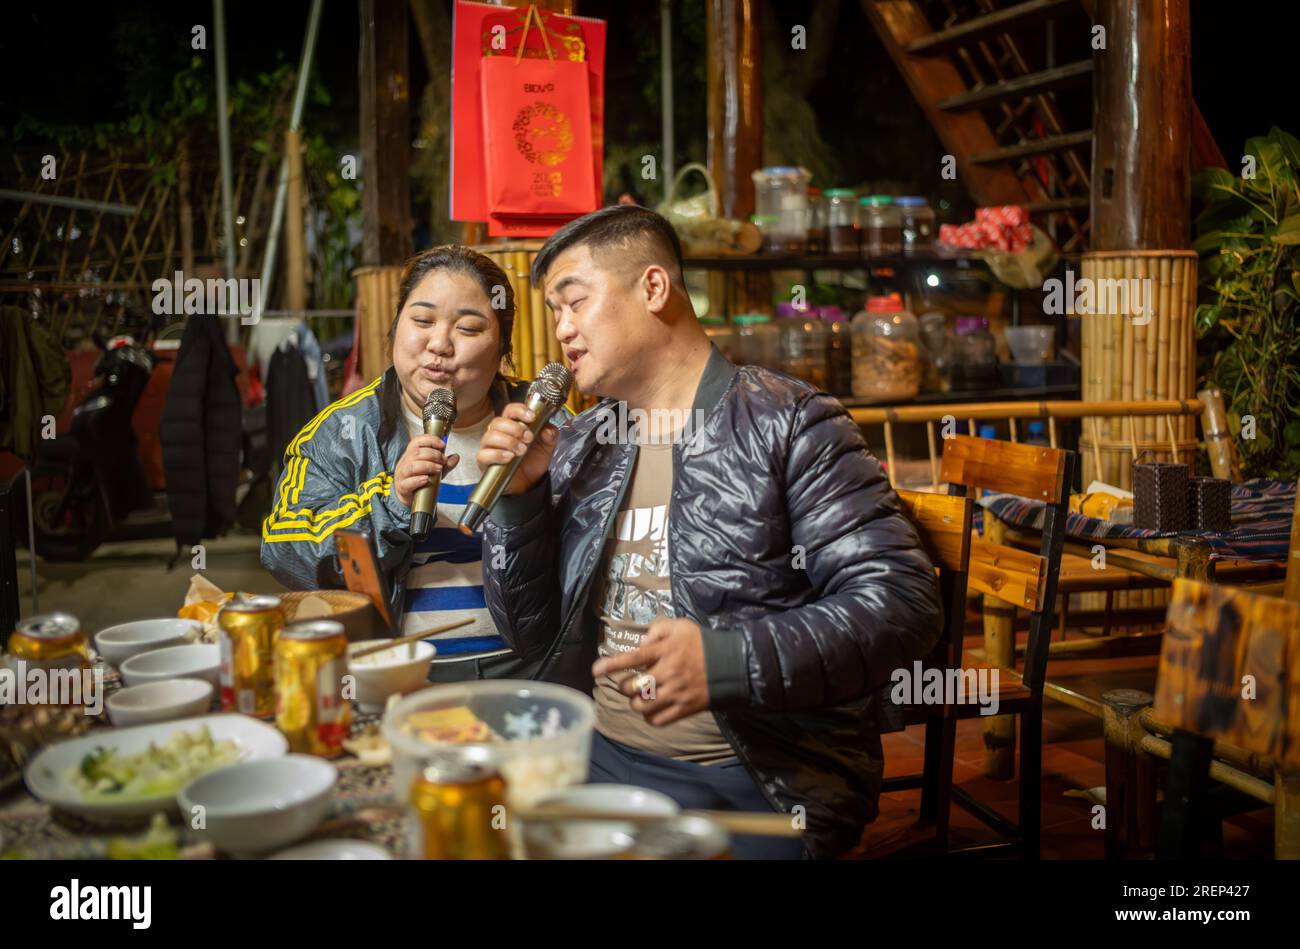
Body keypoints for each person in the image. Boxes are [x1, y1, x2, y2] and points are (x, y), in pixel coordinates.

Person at [476, 205, 943, 858]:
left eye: (573, 303)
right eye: (554, 312)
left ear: (654, 288)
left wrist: (730, 659)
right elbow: (528, 631)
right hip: (600, 758)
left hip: (756, 778)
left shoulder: (789, 424)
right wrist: (518, 503)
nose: (562, 331)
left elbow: (902, 603)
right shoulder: (585, 443)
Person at [262, 245, 550, 679]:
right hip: (395, 673)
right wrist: (390, 500)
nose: (439, 344)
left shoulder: (544, 425)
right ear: (396, 327)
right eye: (421, 320)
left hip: (529, 669)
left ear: (501, 348)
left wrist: (531, 495)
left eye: (469, 328)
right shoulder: (340, 432)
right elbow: (283, 547)